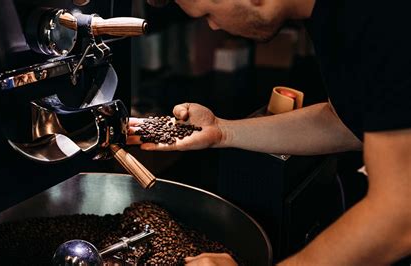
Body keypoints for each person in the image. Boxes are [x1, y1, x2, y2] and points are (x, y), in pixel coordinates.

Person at [130, 0, 411, 265]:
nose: (213, 26)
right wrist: (222, 131)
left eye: (208, 13)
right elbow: (346, 122)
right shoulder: (330, 16)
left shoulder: (379, 15)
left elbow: (399, 216)